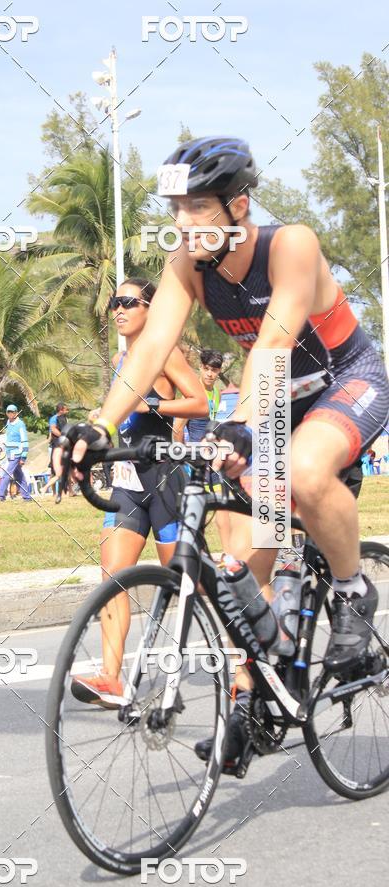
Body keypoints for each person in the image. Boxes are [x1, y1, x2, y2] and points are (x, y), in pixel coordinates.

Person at [56, 136, 389, 766]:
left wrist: (238, 422)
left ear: (238, 207)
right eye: (175, 209)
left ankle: (351, 591)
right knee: (239, 568)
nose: (182, 223)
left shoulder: (290, 244)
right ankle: (253, 703)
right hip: (276, 400)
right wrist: (100, 423)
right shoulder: (187, 265)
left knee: (304, 471)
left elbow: (274, 342)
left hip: (348, 379)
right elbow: (149, 350)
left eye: (197, 208)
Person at [71, 277, 209, 707]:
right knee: (112, 578)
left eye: (129, 301)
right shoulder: (120, 359)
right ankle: (112, 679)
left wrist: (151, 405)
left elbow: (201, 403)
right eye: (115, 301)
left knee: (187, 581)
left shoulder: (164, 353)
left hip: (165, 479)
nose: (118, 309)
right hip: (128, 483)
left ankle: (245, 656)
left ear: (152, 308)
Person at [173, 348, 231, 551]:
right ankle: (199, 553)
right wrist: (183, 457)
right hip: (195, 461)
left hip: (212, 457)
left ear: (218, 371)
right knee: (199, 508)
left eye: (214, 370)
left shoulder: (217, 393)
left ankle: (227, 554)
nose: (209, 374)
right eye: (206, 369)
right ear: (200, 368)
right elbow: (177, 428)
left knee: (222, 505)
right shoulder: (191, 392)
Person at [0, 404, 31, 502]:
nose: (10, 414)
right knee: (19, 475)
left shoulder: (20, 424)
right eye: (9, 412)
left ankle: (1, 495)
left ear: (16, 413)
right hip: (9, 453)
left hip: (17, 454)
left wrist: (23, 457)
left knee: (7, 473)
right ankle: (27, 497)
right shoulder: (8, 423)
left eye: (13, 412)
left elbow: (25, 441)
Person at [42, 402, 69, 495]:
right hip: (55, 446)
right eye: (66, 409)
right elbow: (53, 429)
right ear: (61, 410)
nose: (67, 411)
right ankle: (53, 492)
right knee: (54, 470)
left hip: (63, 446)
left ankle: (69, 491)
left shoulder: (65, 419)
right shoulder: (54, 419)